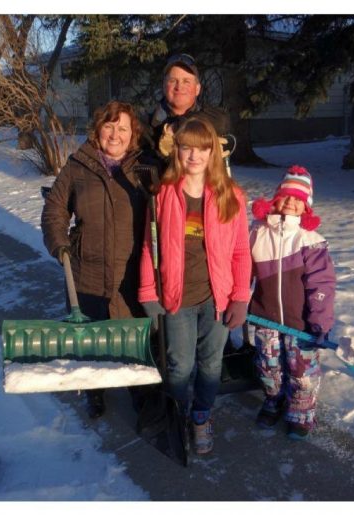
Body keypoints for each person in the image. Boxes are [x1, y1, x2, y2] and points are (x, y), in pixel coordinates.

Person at [137, 117, 251, 455]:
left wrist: (240, 297)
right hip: (176, 298)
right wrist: (148, 292)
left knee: (211, 364)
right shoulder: (162, 194)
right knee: (180, 366)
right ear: (177, 151)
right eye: (186, 147)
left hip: (217, 298)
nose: (194, 155)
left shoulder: (230, 195)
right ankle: (177, 415)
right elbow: (149, 246)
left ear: (213, 151)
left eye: (202, 148)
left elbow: (241, 251)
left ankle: (201, 416)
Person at [41, 100, 148, 419]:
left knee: (131, 335)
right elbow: (55, 209)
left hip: (131, 270)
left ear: (133, 134)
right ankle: (95, 391)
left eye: (123, 128)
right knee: (90, 336)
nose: (115, 134)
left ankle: (138, 391)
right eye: (109, 126)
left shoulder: (144, 168)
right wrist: (59, 244)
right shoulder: (78, 165)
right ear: (97, 129)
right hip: (86, 269)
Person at [247, 165, 337, 440]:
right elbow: (242, 269)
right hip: (264, 318)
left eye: (298, 200)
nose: (290, 202)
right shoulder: (257, 232)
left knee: (302, 370)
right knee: (268, 366)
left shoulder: (311, 241)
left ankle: (301, 411)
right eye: (286, 196)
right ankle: (273, 399)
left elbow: (322, 285)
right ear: (275, 198)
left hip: (301, 323)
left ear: (306, 207)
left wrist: (320, 322)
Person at [143, 53, 231, 164]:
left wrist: (176, 127)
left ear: (197, 89)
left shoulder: (214, 117)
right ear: (164, 86)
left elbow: (223, 122)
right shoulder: (148, 124)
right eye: (173, 81)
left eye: (186, 81)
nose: (179, 87)